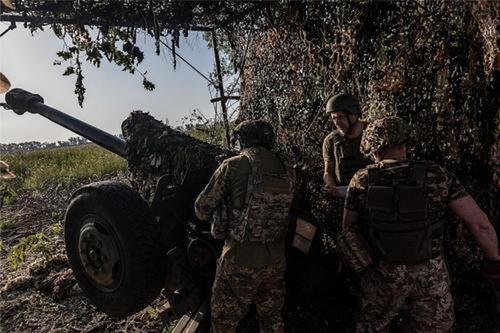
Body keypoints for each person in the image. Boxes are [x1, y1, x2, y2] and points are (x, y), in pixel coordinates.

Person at [338, 116, 500, 332]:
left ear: (372, 148)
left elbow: (347, 230)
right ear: (406, 142)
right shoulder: (437, 174)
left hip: (382, 275)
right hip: (430, 277)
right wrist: (494, 262)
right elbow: (480, 225)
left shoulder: (361, 179)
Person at [194, 119, 295, 333]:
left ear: (243, 140)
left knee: (223, 322)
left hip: (240, 259)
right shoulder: (287, 167)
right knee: (272, 319)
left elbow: (201, 209)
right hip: (276, 260)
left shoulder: (233, 165)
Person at [322, 93, 370, 198]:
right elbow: (327, 172)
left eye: (340, 117)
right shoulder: (330, 141)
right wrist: (331, 186)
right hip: (345, 198)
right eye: (334, 118)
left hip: (372, 197)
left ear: (354, 114)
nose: (337, 122)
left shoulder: (372, 134)